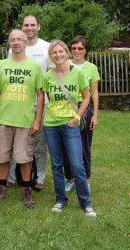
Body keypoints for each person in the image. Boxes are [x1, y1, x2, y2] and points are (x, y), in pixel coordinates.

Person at [0, 29, 44, 208]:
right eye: (12, 40)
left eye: (19, 39)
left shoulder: (34, 67)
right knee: (3, 156)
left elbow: (40, 95)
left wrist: (37, 120)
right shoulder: (1, 65)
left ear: (26, 43)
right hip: (4, 119)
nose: (16, 42)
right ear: (9, 44)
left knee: (24, 157)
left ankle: (26, 189)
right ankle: (1, 188)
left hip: (25, 120)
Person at [42, 39, 97, 216]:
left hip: (71, 124)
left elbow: (86, 97)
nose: (58, 55)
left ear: (67, 53)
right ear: (51, 56)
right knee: (57, 165)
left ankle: (86, 203)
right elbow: (49, 98)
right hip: (51, 125)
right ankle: (60, 199)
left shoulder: (78, 73)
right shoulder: (48, 76)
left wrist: (77, 117)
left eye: (61, 52)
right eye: (54, 53)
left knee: (77, 165)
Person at [7, 15, 52, 191]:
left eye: (33, 25)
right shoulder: (13, 48)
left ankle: (40, 176)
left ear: (39, 27)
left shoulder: (46, 47)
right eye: (26, 25)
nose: (29, 28)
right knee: (14, 140)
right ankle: (11, 176)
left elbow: (51, 77)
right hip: (17, 102)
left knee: (40, 143)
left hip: (41, 102)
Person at [64, 35, 100, 192]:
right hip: (64, 109)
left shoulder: (91, 68)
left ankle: (85, 179)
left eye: (80, 48)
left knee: (84, 146)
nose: (77, 51)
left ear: (86, 50)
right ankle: (70, 178)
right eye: (74, 48)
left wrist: (95, 115)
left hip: (84, 110)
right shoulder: (63, 65)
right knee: (66, 146)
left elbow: (94, 93)